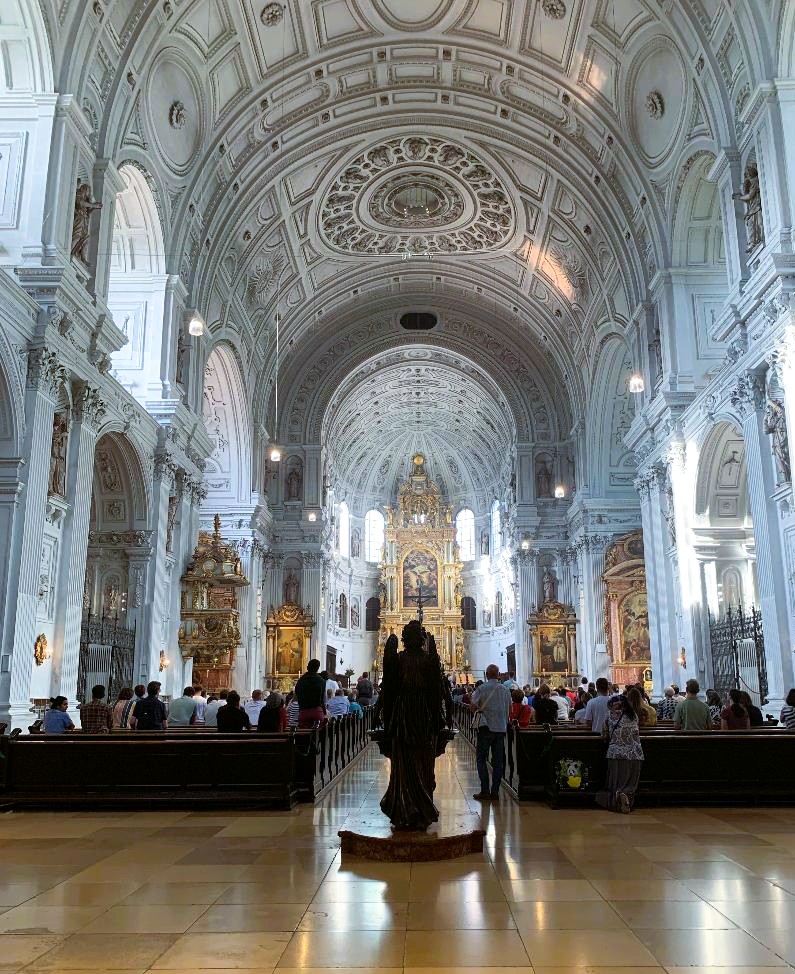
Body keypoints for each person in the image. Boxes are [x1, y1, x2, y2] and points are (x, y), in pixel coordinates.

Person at [378, 622, 453, 829]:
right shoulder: (429, 660)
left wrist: (382, 714)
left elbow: (388, 690)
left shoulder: (399, 659)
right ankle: (417, 808)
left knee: (407, 759)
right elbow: (438, 693)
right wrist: (442, 718)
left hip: (405, 712)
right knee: (421, 758)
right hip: (420, 712)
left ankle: (406, 808)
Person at [470, 663, 512, 801]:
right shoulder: (505, 690)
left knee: (481, 758)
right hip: (500, 728)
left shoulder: (482, 688)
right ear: (498, 675)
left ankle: (485, 790)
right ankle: (495, 792)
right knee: (498, 761)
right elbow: (510, 709)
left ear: (487, 675)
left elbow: (473, 705)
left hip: (485, 727)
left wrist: (479, 711)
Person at [596, 694, 644, 814]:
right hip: (634, 752)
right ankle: (626, 795)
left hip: (615, 753)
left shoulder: (610, 716)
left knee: (617, 780)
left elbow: (604, 735)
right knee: (631, 780)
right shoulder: (633, 716)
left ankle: (617, 799)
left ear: (612, 706)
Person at [295, 659, 327, 727]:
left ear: (307, 667)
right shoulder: (321, 681)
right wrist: (324, 712)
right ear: (318, 668)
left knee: (303, 735)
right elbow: (322, 699)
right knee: (320, 734)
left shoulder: (301, 680)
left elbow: (297, 694)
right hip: (317, 711)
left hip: (304, 711)